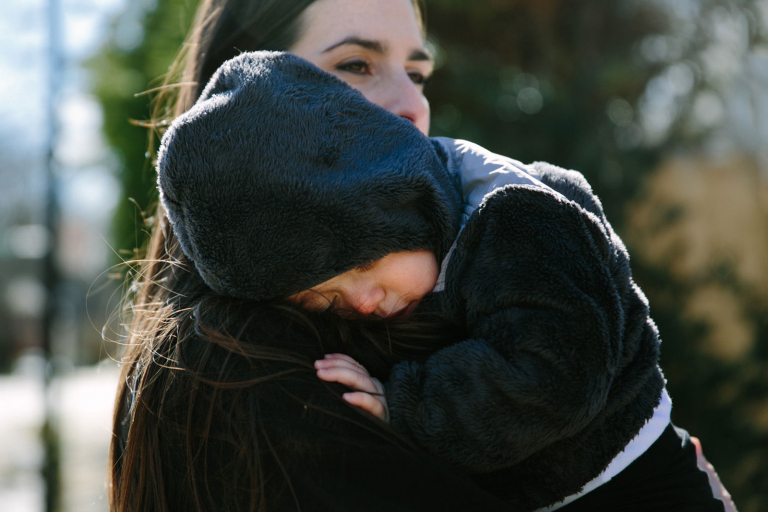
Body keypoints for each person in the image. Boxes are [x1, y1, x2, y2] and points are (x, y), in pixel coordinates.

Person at [112, 0, 736, 510]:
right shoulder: (246, 376)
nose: (413, 108)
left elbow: (557, 369)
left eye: (417, 73)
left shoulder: (501, 224)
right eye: (356, 64)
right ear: (247, 117)